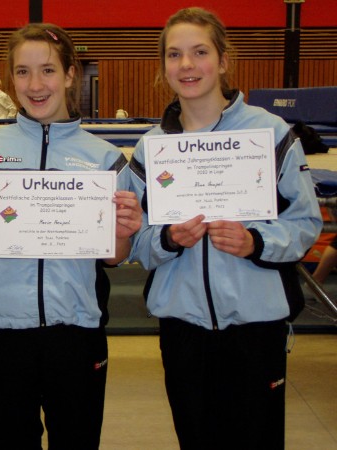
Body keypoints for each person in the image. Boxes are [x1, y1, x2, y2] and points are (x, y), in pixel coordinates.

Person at [128, 7, 323, 450]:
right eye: (174, 55)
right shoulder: (152, 147)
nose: (187, 65)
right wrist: (166, 239)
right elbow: (133, 239)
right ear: (163, 67)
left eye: (199, 52)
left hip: (257, 327)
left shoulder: (269, 133)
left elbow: (306, 222)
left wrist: (256, 241)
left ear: (223, 59)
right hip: (183, 327)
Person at [0, 23, 142, 450]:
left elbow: (115, 257)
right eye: (22, 72)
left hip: (75, 329)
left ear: (71, 73)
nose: (35, 85)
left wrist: (124, 231)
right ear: (10, 77)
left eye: (48, 71)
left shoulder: (106, 159)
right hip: (2, 331)